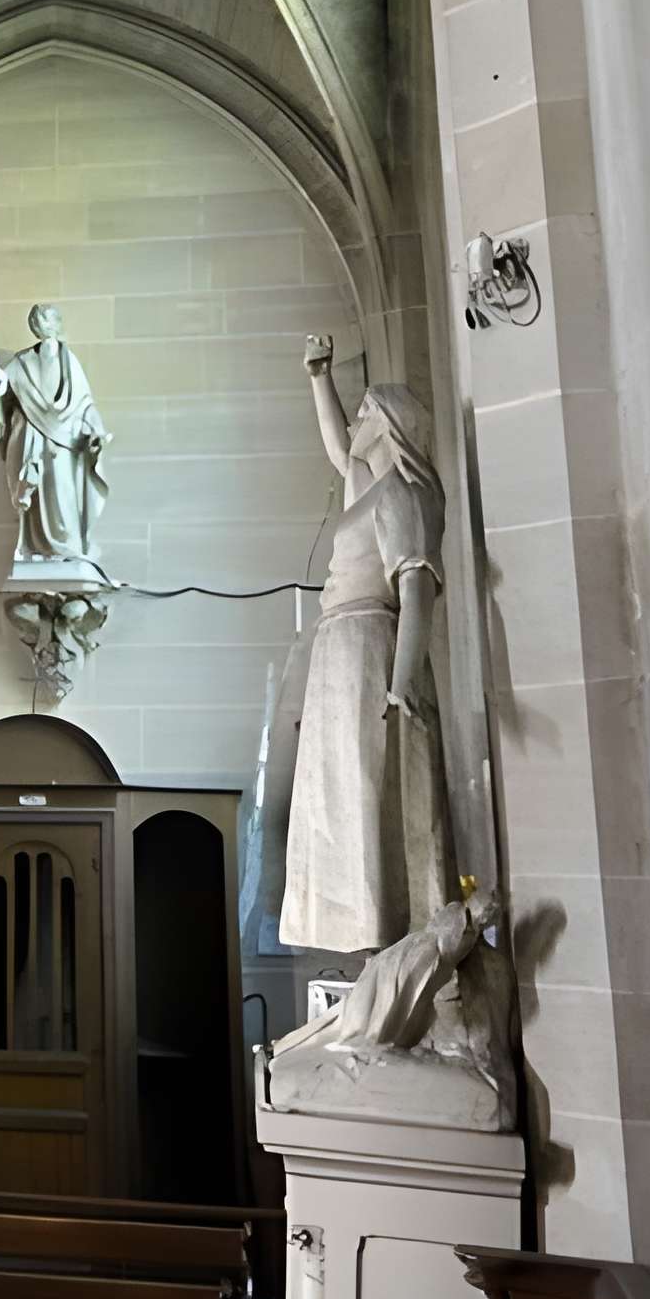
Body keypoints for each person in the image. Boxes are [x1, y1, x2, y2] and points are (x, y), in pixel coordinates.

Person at [279, 335, 455, 951]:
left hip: (369, 647)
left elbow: (416, 591)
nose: (354, 425)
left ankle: (384, 930)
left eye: (363, 416)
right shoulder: (369, 488)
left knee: (364, 791)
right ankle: (358, 934)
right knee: (337, 793)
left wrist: (403, 678)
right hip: (339, 647)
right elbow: (336, 448)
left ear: (387, 426)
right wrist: (318, 378)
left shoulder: (405, 494)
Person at [0, 305, 110, 573]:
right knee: (36, 495)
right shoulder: (23, 361)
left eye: (47, 318)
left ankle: (67, 548)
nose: (42, 324)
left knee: (61, 491)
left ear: (56, 323)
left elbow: (85, 403)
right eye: (38, 320)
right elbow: (5, 387)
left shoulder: (69, 360)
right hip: (32, 439)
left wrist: (95, 431)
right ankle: (37, 549)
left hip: (64, 441)